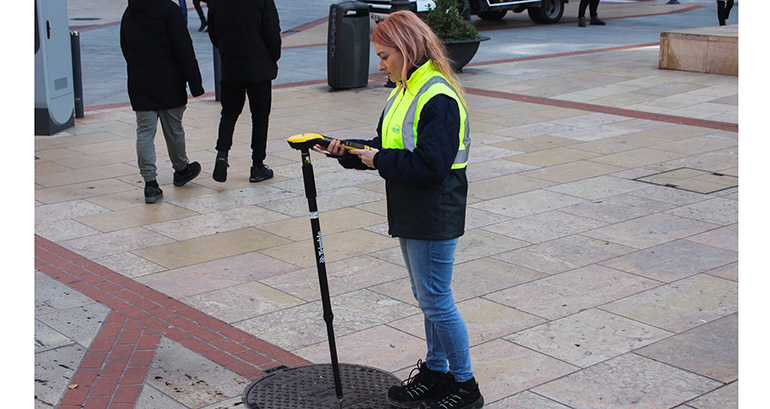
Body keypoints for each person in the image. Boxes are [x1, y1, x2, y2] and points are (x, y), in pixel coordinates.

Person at [317, 10, 483, 409]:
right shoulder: (406, 88)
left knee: (436, 299)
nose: (380, 65)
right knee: (427, 297)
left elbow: (429, 167)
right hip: (412, 205)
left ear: (407, 51)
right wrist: (347, 150)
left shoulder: (436, 95)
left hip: (433, 207)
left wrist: (377, 160)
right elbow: (387, 148)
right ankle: (437, 373)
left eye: (385, 56)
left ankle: (465, 386)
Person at [120, 0, 204, 204]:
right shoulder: (169, 10)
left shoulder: (130, 12)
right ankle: (182, 169)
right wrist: (195, 84)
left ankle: (150, 184)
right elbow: (183, 48)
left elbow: (126, 48)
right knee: (173, 129)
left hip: (140, 83)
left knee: (145, 132)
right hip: (169, 82)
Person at [207, 0, 281, 183]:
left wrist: (227, 50)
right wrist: (273, 57)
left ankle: (222, 155)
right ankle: (257, 166)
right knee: (260, 117)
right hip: (259, 67)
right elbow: (271, 31)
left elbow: (213, 32)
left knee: (229, 112)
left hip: (231, 65)